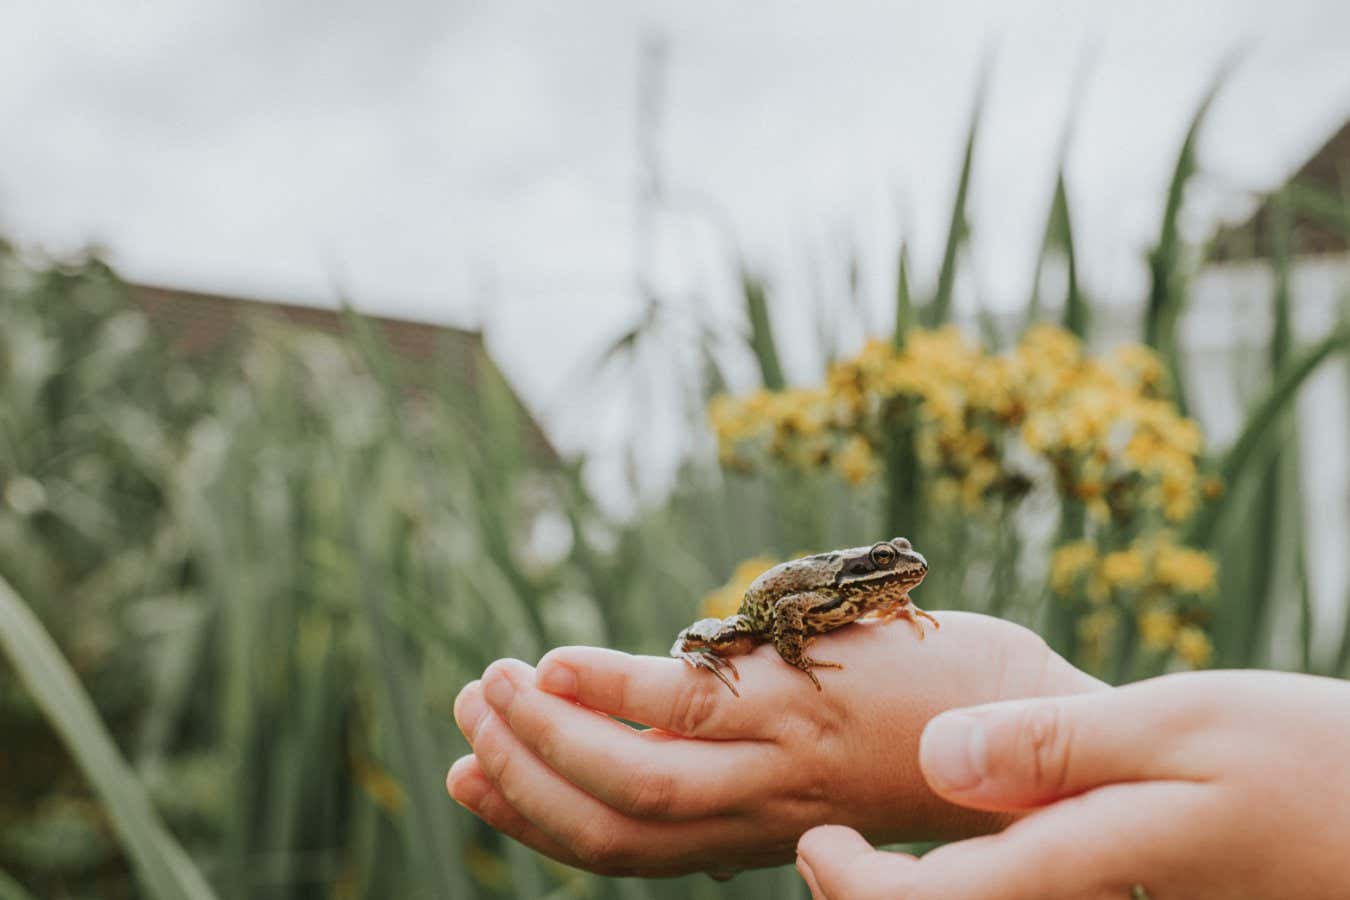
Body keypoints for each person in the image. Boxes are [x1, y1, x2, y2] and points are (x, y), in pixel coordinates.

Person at [448, 611, 1350, 898]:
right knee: (724, 637)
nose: (901, 582)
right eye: (889, 572)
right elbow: (789, 627)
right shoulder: (833, 599)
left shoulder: (887, 599)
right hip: (769, 614)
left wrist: (1016, 691)